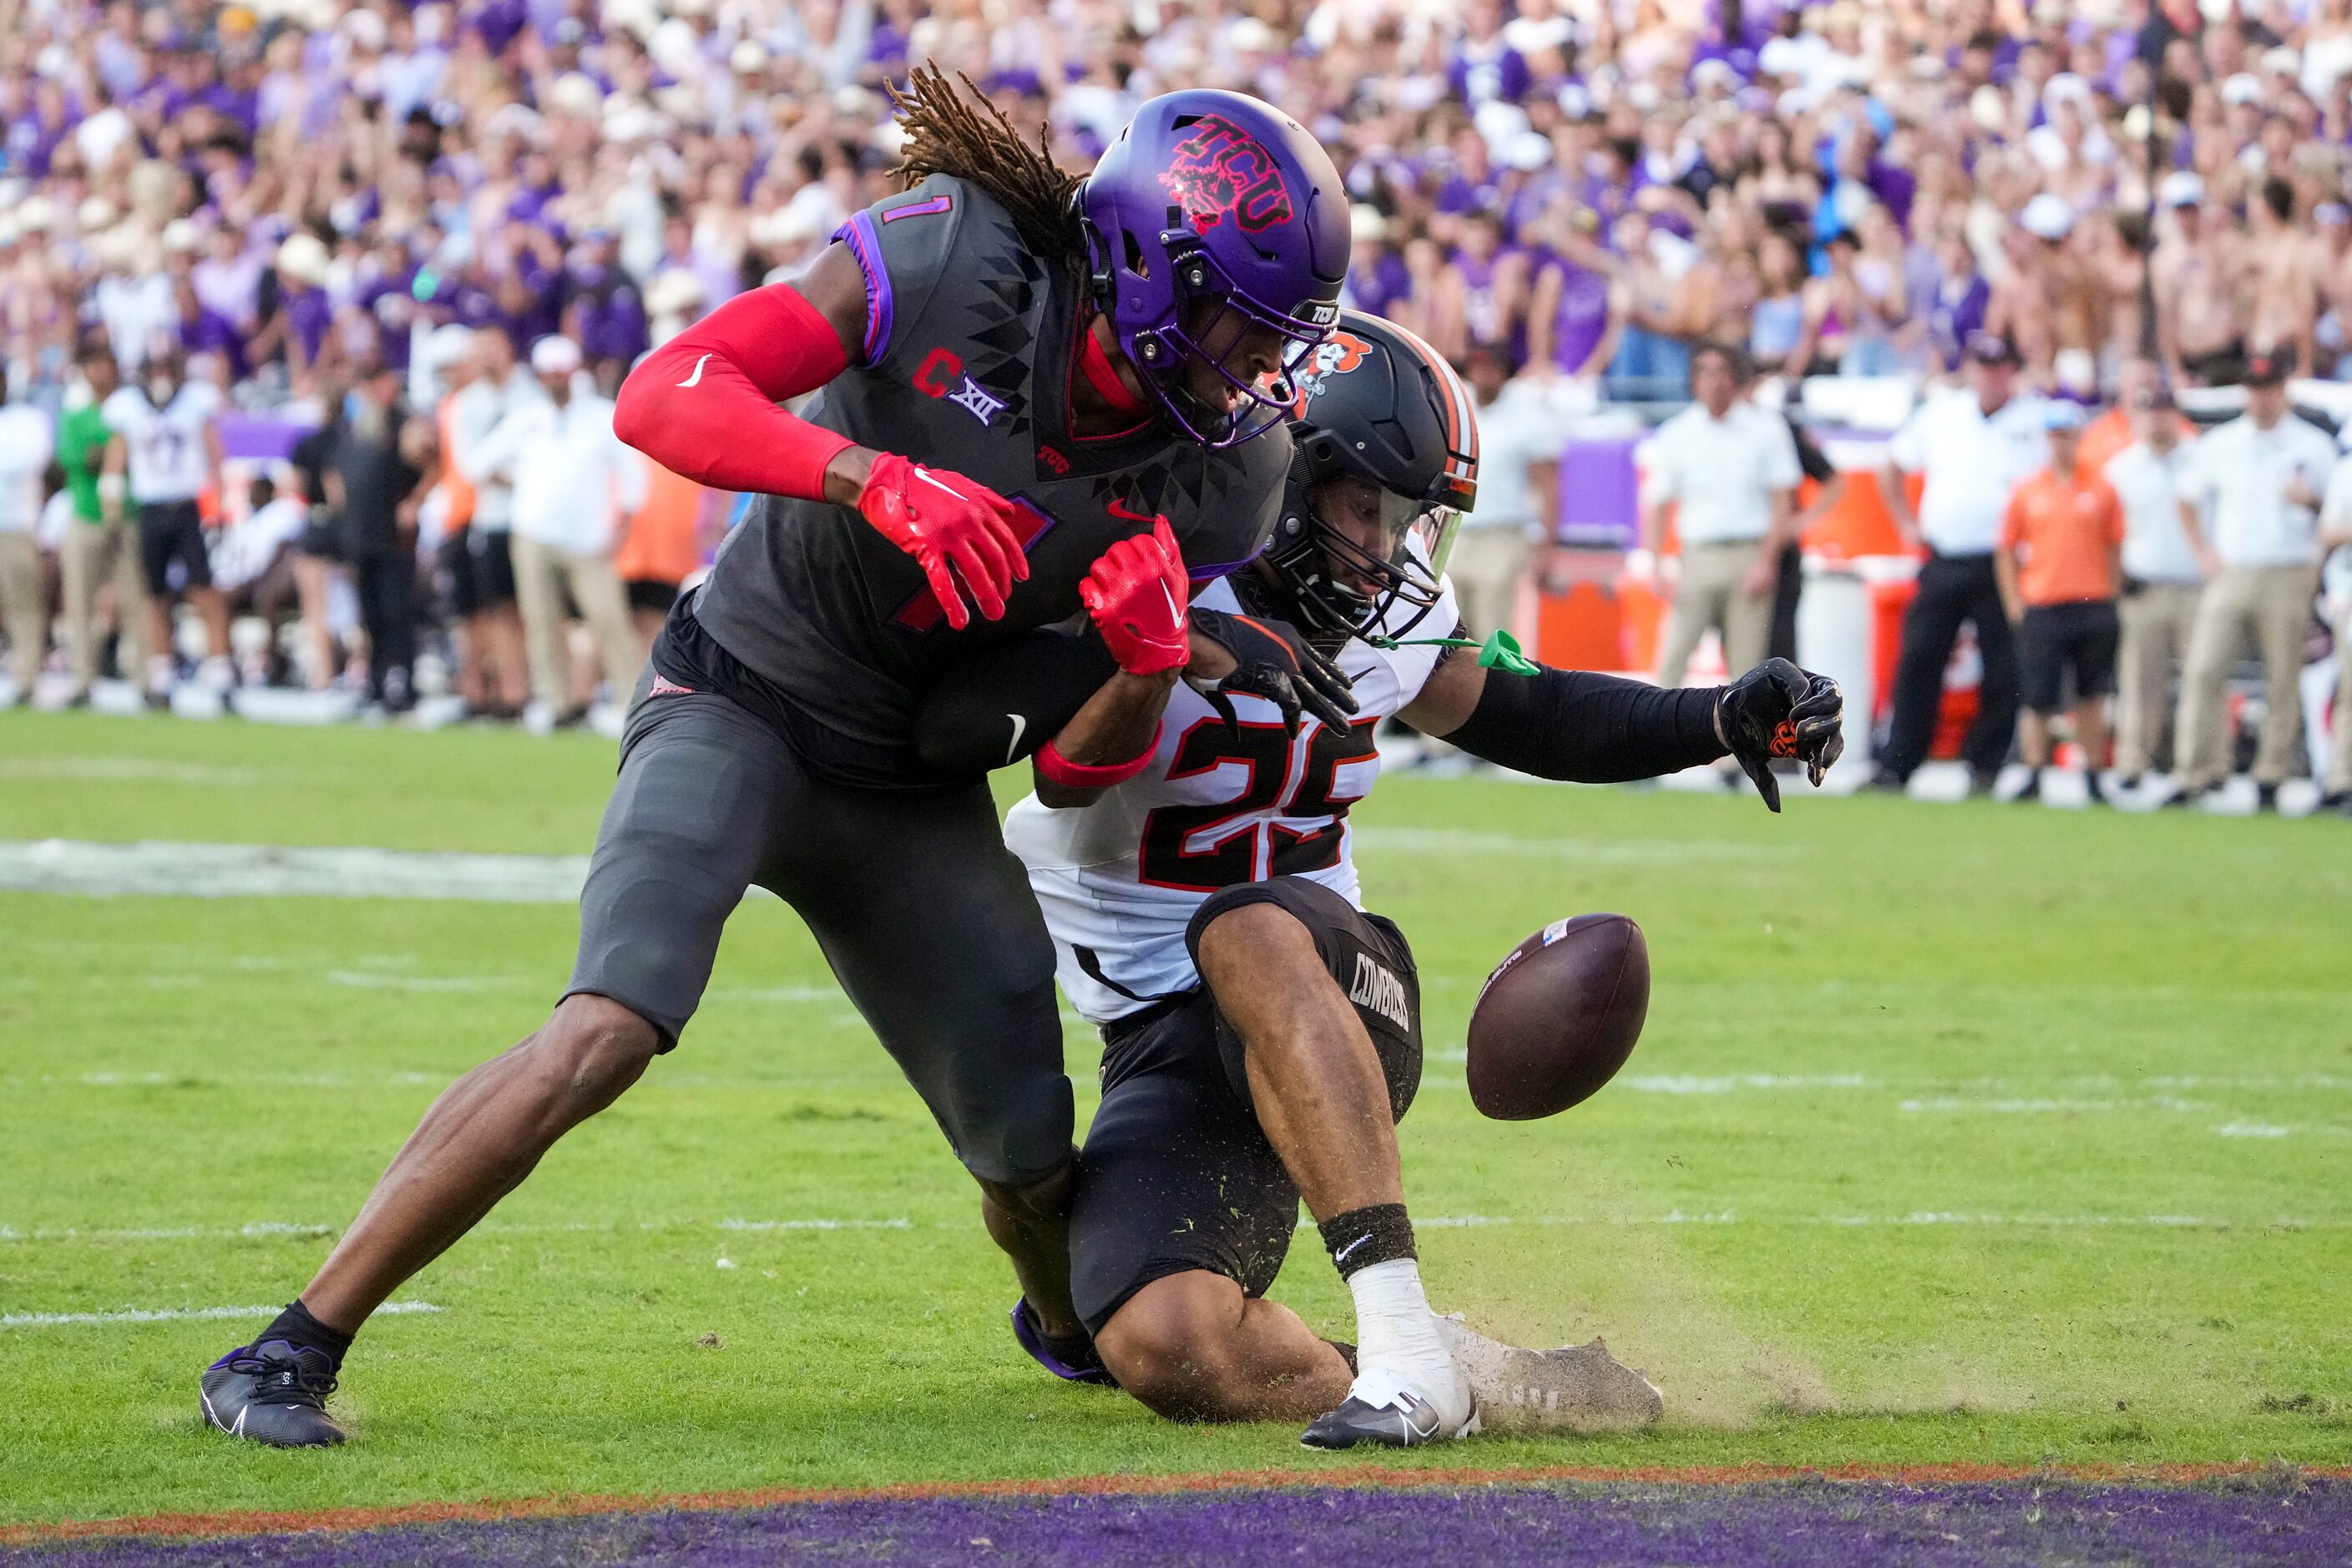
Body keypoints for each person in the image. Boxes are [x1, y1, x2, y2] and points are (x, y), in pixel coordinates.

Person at [199, 77, 1352, 1448]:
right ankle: (287, 1347)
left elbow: (1070, 779)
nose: (1247, 368)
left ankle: (1061, 1329)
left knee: (1034, 1157)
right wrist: (864, 476)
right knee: (604, 1031)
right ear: (1147, 267)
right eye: (1231, 323)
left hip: (910, 780)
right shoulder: (957, 253)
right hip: (740, 694)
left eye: (1271, 339)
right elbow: (664, 391)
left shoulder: (1227, 470)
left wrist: (1147, 662)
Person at [913, 312, 1843, 1445]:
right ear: (1285, 475)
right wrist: (1164, 648)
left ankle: (1401, 1349)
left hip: (1339, 991)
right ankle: (1464, 1367)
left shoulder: (1383, 628)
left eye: (1409, 519)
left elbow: (1529, 709)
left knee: (1244, 927)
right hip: (1162, 1034)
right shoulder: (1139, 569)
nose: (1390, 547)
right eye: (1370, 507)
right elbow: (1042, 767)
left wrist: (1709, 714)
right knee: (1168, 1347)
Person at [1870, 333, 2048, 794]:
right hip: (1945, 554)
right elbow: (1890, 466)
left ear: (2013, 370)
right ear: (1969, 369)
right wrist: (1907, 525)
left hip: (2003, 561)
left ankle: (1985, 764)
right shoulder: (1942, 413)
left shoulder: (2035, 421)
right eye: (1983, 365)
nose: (1991, 375)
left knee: (2003, 665)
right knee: (1918, 657)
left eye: (1999, 366)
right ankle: (1900, 762)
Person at [2171, 352, 2337, 811]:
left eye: (2268, 389)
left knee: (2283, 675)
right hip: (2233, 567)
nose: (2261, 399)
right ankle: (2197, 770)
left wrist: (2311, 505)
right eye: (2254, 389)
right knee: (2204, 668)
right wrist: (2204, 552)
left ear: (2282, 391)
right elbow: (2187, 499)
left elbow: (2336, 511)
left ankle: (2271, 774)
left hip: (2289, 568)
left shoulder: (2311, 445)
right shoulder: (2222, 443)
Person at [461, 336, 648, 726]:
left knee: (608, 619)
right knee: (541, 622)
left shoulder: (599, 415)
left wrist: (620, 532)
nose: (554, 381)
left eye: (559, 373)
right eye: (547, 374)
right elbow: (478, 463)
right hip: (534, 535)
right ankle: (554, 702)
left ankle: (628, 704)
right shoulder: (529, 417)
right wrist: (523, 483)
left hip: (589, 540)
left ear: (573, 373)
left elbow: (635, 479)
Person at [1642, 341, 1801, 690]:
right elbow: (1657, 503)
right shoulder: (1677, 433)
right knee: (1672, 658)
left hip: (1748, 551)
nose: (1715, 382)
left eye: (1722, 372)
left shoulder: (1765, 428)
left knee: (1747, 669)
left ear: (1735, 379)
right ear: (1694, 380)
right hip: (1697, 555)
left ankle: (1740, 746)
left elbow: (1782, 501)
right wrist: (1654, 563)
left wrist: (1767, 560)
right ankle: (1655, 741)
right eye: (1705, 372)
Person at [1994, 402, 2126, 803]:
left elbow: (2114, 547)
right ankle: (2034, 770)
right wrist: (2016, 604)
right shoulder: (2028, 489)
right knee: (2038, 697)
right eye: (2054, 436)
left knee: (2091, 695)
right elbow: (2006, 549)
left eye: (2067, 435)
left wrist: (2110, 596)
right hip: (2045, 604)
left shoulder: (2101, 489)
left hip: (2091, 603)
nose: (2061, 443)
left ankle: (2093, 773)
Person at [100, 346, 230, 704]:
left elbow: (213, 453)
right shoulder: (128, 406)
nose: (160, 374)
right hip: (150, 508)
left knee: (204, 589)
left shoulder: (195, 402)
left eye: (165, 365)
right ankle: (162, 674)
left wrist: (218, 507)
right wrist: (111, 502)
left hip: (188, 506)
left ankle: (220, 671)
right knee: (154, 594)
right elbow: (117, 455)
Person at [2102, 387, 2204, 786]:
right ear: (2137, 416)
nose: (2157, 419)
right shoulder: (2122, 467)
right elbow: (2108, 531)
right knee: (2139, 679)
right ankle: (2133, 761)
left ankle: (2196, 766)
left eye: (2164, 411)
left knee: (2202, 677)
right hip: (2140, 586)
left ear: (2177, 415)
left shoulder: (2203, 458)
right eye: (2149, 411)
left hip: (2195, 585)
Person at [323, 361, 432, 712]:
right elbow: (334, 470)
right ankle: (376, 677)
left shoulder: (401, 422)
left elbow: (430, 461)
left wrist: (414, 502)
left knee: (396, 610)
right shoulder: (349, 426)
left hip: (392, 536)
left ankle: (402, 678)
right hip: (360, 534)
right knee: (369, 613)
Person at [441, 330, 533, 718]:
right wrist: (523, 478)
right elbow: (470, 465)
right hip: (494, 518)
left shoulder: (530, 392)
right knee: (499, 610)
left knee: (538, 611)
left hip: (534, 519)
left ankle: (537, 690)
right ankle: (511, 692)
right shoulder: (467, 403)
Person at [1447, 343, 1556, 645]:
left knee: (1491, 627)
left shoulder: (1528, 416)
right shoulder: (1456, 407)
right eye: (1477, 365)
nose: (1483, 373)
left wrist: (1546, 546)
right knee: (1453, 627)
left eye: (1490, 366)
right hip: (1457, 531)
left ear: (1504, 372)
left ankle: (1499, 691)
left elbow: (1548, 486)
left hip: (1503, 533)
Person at [57, 343, 143, 703]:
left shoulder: (132, 408)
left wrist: (111, 450)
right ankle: (82, 679)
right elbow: (80, 458)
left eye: (103, 364)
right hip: (87, 513)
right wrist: (113, 448)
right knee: (79, 600)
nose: (98, 372)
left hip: (129, 512)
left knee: (135, 599)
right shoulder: (77, 414)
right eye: (91, 365)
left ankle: (143, 678)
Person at [0, 364, 53, 699]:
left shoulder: (27, 418)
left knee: (24, 603)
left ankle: (27, 677)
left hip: (15, 524)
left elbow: (34, 457)